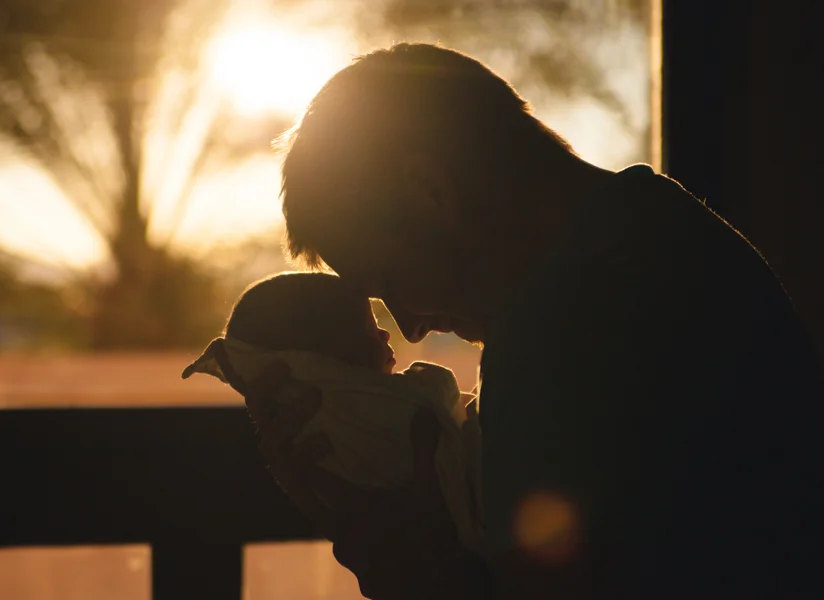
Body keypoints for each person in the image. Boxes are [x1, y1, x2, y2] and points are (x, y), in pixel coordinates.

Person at [243, 43, 824, 599]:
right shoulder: (672, 234)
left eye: (389, 281)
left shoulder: (557, 327)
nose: (411, 328)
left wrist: (401, 558)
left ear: (429, 191)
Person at [181, 272, 484, 555]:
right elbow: (440, 399)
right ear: (320, 364)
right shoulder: (366, 413)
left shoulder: (312, 436)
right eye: (368, 329)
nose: (387, 334)